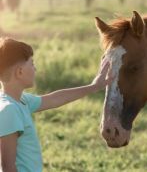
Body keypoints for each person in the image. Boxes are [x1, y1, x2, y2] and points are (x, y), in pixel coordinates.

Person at [0, 37, 113, 172]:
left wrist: (93, 87)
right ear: (20, 72)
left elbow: (54, 99)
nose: (35, 69)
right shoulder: (10, 110)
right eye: (32, 64)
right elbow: (7, 167)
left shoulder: (20, 100)